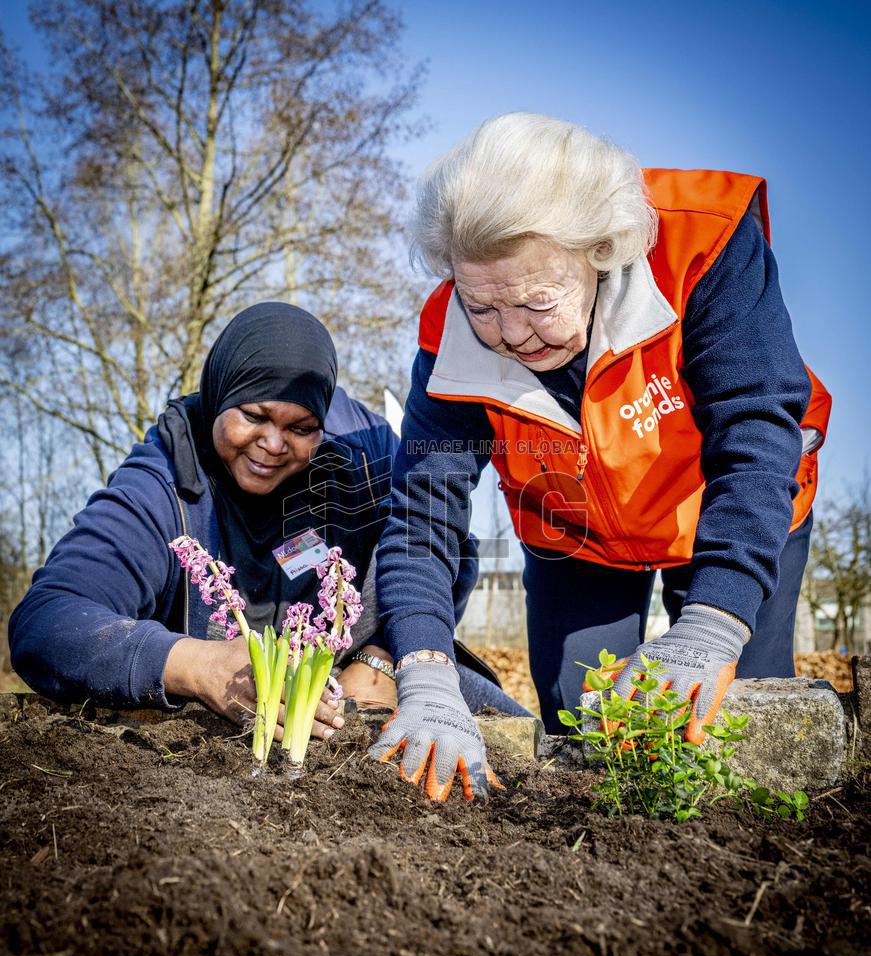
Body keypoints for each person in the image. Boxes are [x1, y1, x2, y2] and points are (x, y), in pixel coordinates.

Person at [370, 112, 831, 801]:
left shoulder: (701, 246)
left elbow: (754, 433)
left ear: (600, 249)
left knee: (740, 722)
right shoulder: (450, 333)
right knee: (584, 732)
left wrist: (712, 622)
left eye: (536, 300)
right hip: (575, 531)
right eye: (483, 306)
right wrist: (427, 671)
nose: (511, 335)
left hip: (728, 505)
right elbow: (422, 514)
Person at [9, 302, 522, 745]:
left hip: (361, 677)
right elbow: (47, 622)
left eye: (300, 429)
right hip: (214, 702)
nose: (273, 445)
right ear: (221, 392)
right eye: (253, 416)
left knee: (526, 745)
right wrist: (196, 666)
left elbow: (440, 546)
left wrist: (383, 660)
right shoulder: (159, 491)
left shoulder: (362, 452)